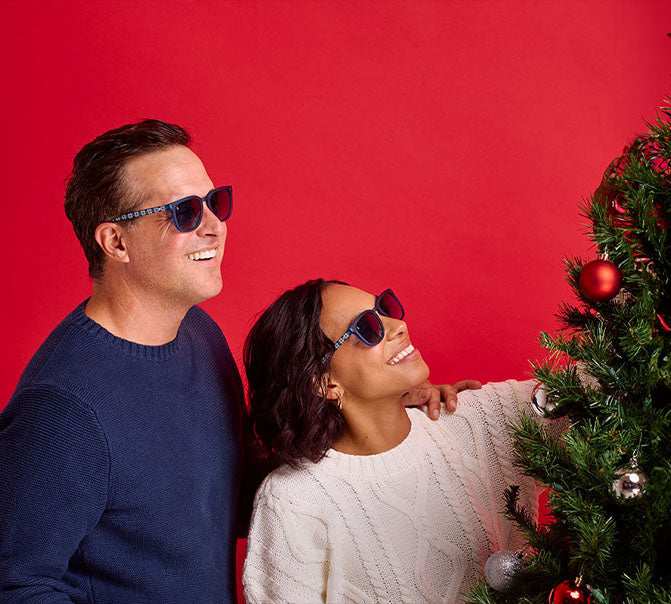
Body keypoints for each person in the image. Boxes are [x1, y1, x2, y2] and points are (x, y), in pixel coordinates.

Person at [0, 120, 463, 603]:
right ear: (116, 242)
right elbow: (16, 585)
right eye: (183, 212)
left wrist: (382, 411)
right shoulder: (63, 410)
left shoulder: (199, 334)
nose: (214, 226)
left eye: (214, 202)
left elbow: (237, 493)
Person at [241, 279, 548, 603]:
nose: (398, 326)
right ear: (325, 382)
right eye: (367, 328)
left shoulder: (478, 419)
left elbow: (585, 387)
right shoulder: (294, 500)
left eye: (384, 308)